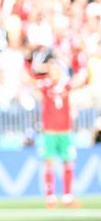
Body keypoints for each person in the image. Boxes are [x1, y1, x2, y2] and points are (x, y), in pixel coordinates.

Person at [30, 58, 88, 208]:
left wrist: (83, 61)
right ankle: (50, 197)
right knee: (48, 162)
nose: (54, 73)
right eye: (52, 71)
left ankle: (67, 197)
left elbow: (80, 79)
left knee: (68, 162)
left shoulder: (66, 85)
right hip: (50, 132)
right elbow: (30, 81)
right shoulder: (45, 86)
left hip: (65, 132)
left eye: (57, 70)